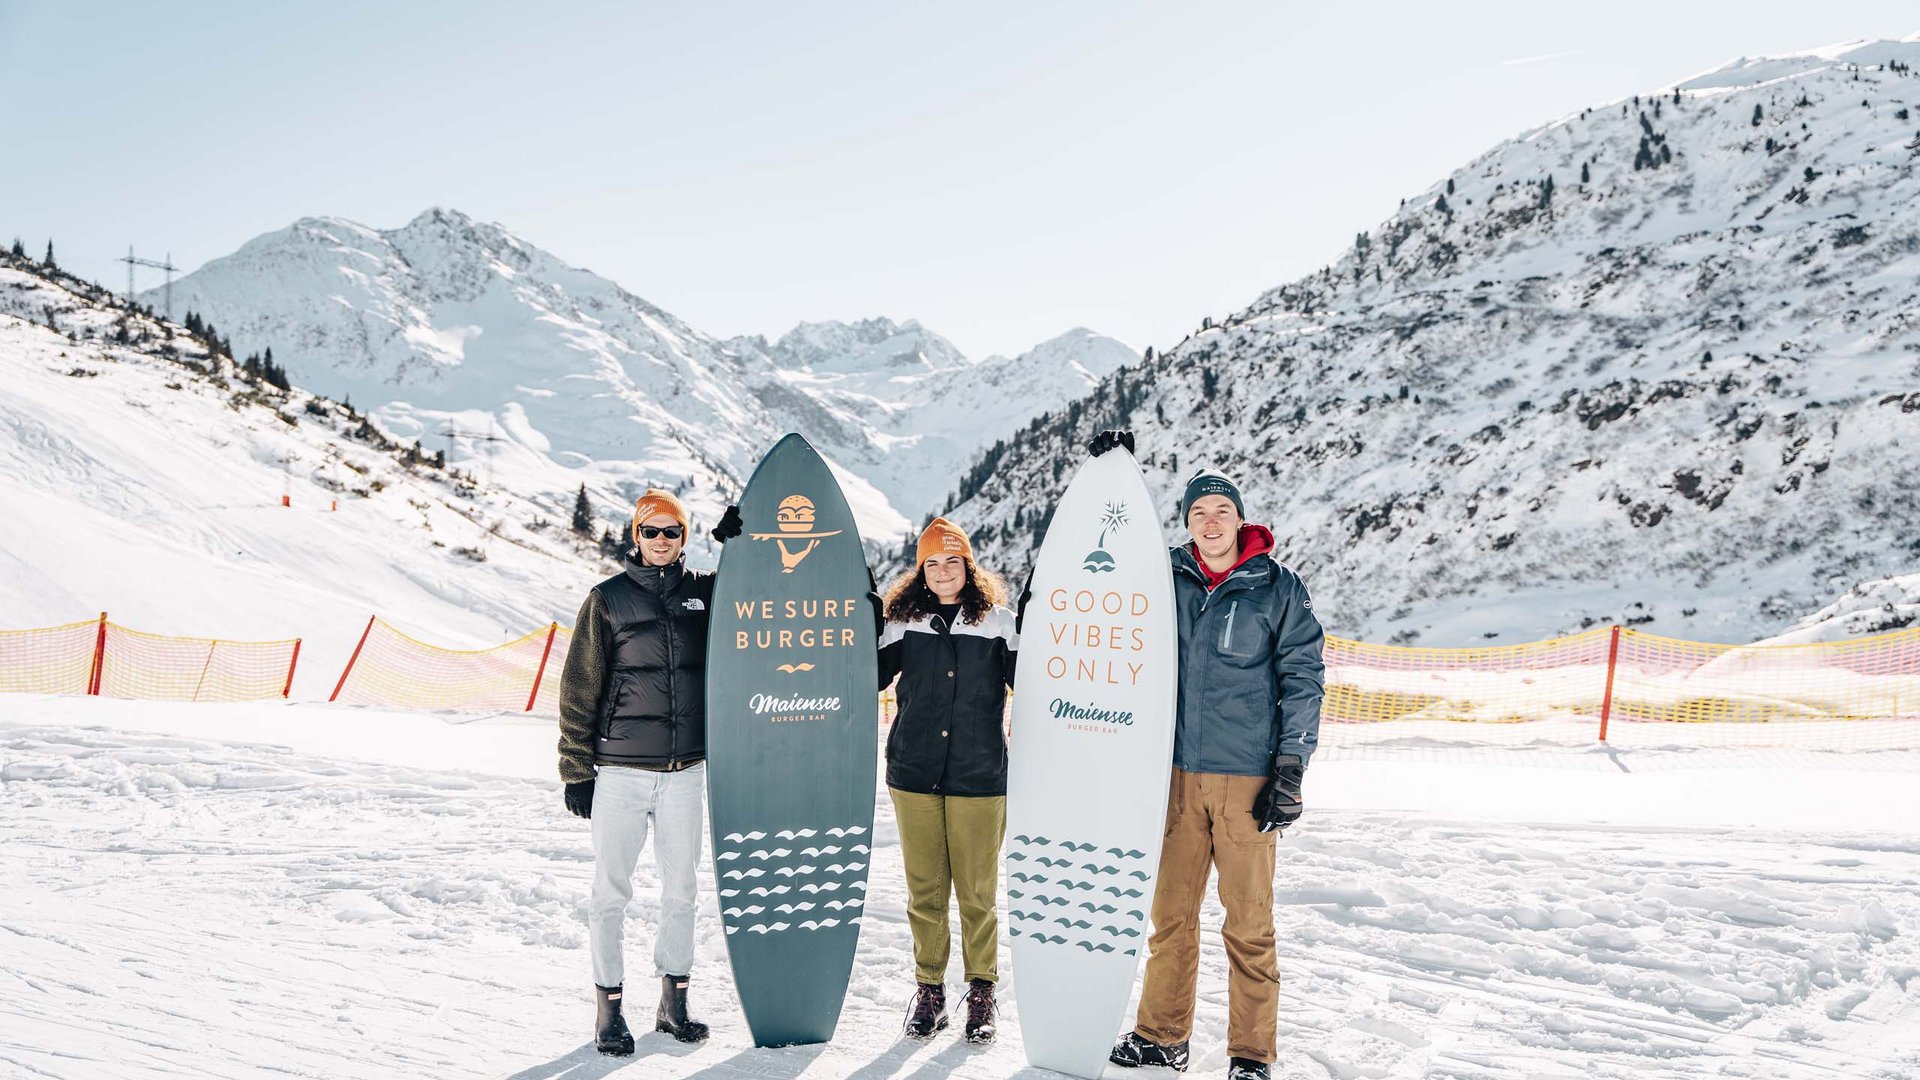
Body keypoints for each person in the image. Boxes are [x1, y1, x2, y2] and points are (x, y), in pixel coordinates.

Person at [1089, 432, 1325, 1080]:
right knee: (1171, 918)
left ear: (1240, 518)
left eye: (1221, 510)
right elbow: (1097, 586)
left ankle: (1252, 1055)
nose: (1210, 522)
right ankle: (1163, 1037)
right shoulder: (1164, 577)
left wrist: (1291, 767)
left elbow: (1303, 676)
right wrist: (1109, 474)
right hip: (1174, 779)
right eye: (1198, 512)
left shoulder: (1277, 587)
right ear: (1187, 522)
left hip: (1247, 780)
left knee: (1249, 926)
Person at [556, 490, 742, 1055]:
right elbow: (579, 686)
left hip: (685, 768)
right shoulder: (607, 599)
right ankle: (608, 1011)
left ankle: (673, 1002)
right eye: (651, 531)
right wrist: (576, 767)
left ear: (685, 538)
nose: (662, 541)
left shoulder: (706, 593)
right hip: (620, 770)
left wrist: (740, 546)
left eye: (673, 532)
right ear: (634, 536)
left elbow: (758, 598)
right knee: (611, 891)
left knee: (682, 890)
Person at [877, 517, 1020, 1044]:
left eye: (951, 560)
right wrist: (864, 616)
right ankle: (930, 990)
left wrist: (1041, 622)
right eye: (931, 562)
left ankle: (981, 993)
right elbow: (867, 677)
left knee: (977, 893)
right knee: (925, 892)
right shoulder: (902, 622)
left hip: (979, 773)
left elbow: (1031, 681)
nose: (942, 570)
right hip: (913, 770)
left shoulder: (999, 623)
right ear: (920, 570)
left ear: (968, 566)